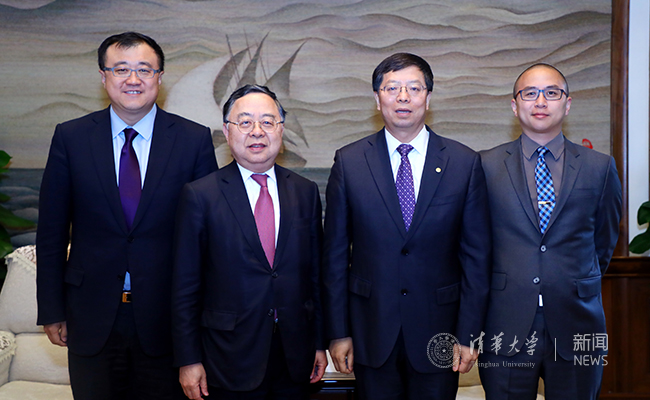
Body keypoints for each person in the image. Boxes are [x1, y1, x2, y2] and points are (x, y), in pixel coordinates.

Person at [36, 32, 218, 400]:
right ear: (103, 77)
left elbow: (208, 239)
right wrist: (51, 309)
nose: (133, 80)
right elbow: (51, 232)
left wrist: (204, 318)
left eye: (144, 70)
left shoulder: (193, 139)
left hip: (167, 319)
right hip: (90, 315)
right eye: (121, 69)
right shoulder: (71, 138)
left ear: (159, 77)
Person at [321, 52, 491, 400]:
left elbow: (477, 258)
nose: (403, 97)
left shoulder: (463, 163)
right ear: (377, 98)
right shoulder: (350, 162)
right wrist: (338, 332)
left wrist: (469, 334)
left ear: (428, 98)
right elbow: (335, 255)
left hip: (440, 331)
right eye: (392, 88)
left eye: (414, 88)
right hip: (371, 330)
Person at [171, 84, 327, 400]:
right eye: (245, 122)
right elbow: (185, 286)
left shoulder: (305, 191)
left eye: (268, 122)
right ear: (227, 132)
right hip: (227, 356)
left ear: (281, 130)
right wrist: (188, 359)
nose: (257, 131)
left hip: (294, 355)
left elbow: (316, 276)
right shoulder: (201, 195)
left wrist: (320, 343)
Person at [478, 63, 622, 400]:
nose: (540, 101)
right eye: (530, 93)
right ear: (515, 105)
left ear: (567, 104)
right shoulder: (485, 165)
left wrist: (570, 279)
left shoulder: (599, 167)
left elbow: (604, 242)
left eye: (552, 93)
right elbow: (476, 245)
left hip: (577, 320)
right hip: (505, 322)